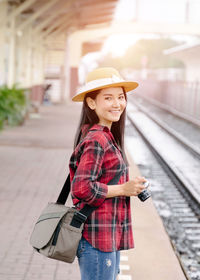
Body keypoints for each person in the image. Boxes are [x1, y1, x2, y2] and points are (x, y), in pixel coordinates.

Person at [69, 67, 147, 280]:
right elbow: (82, 187)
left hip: (107, 236)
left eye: (121, 97)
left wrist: (129, 185)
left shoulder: (105, 135)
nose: (117, 104)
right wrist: (123, 188)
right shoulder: (97, 139)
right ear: (92, 103)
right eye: (108, 98)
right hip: (97, 239)